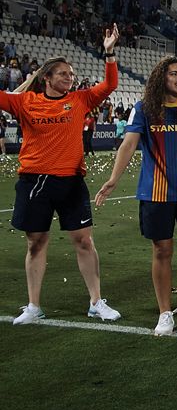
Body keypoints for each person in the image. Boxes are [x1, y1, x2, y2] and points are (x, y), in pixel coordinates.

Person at [96, 55, 177, 336]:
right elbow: (129, 144)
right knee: (162, 250)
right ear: (160, 78)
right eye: (173, 74)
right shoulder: (144, 109)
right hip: (155, 193)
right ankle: (165, 314)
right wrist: (113, 179)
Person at [3, 25, 121, 325]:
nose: (69, 78)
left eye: (71, 74)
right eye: (63, 74)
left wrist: (108, 52)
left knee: (83, 241)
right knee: (36, 242)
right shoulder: (25, 102)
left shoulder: (80, 99)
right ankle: (33, 305)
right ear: (46, 78)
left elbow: (109, 85)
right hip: (34, 180)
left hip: (70, 181)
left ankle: (96, 302)